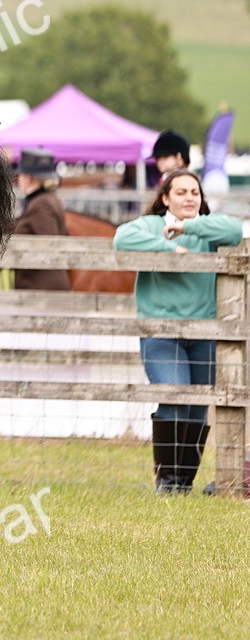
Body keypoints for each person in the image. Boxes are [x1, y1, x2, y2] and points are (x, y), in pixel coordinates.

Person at [113, 168, 243, 494]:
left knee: (198, 404)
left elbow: (234, 230)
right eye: (181, 192)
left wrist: (189, 225)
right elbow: (121, 238)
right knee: (174, 394)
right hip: (161, 331)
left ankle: (184, 484)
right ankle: (167, 483)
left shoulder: (207, 229)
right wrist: (168, 249)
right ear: (166, 197)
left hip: (204, 333)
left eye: (194, 193)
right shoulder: (151, 226)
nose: (189, 198)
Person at [12, 149, 71, 291]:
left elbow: (49, 246)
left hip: (41, 286)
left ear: (30, 178)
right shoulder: (44, 200)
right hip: (42, 284)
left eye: (21, 175)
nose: (18, 179)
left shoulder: (41, 205)